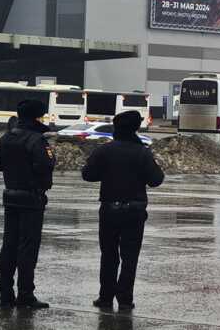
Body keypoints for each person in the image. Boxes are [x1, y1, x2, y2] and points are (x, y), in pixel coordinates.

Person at [82, 111, 164, 311]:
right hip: (134, 212)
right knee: (130, 257)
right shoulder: (142, 152)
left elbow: (87, 174)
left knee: (108, 255)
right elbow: (156, 180)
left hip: (109, 210)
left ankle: (105, 297)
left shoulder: (105, 151)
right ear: (135, 128)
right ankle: (125, 299)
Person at [0, 99, 55, 309]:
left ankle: (5, 294)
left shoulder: (7, 137)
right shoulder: (37, 140)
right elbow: (45, 166)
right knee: (28, 248)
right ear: (37, 116)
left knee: (9, 246)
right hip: (31, 198)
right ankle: (26, 294)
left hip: (10, 196)